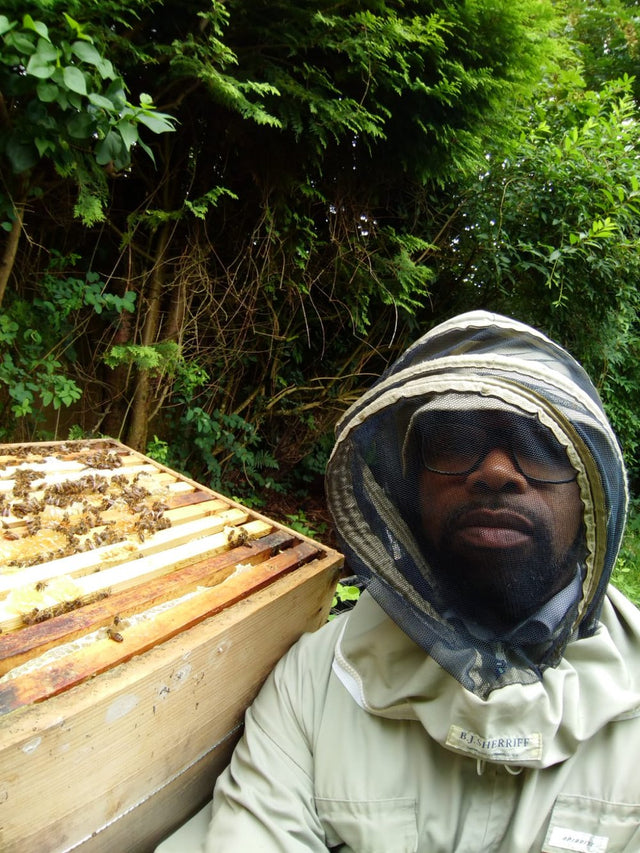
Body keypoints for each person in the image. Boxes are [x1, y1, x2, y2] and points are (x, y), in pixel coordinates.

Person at [205, 311, 640, 852]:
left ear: (590, 495)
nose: (496, 472)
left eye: (542, 443)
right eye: (457, 441)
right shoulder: (315, 685)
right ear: (411, 492)